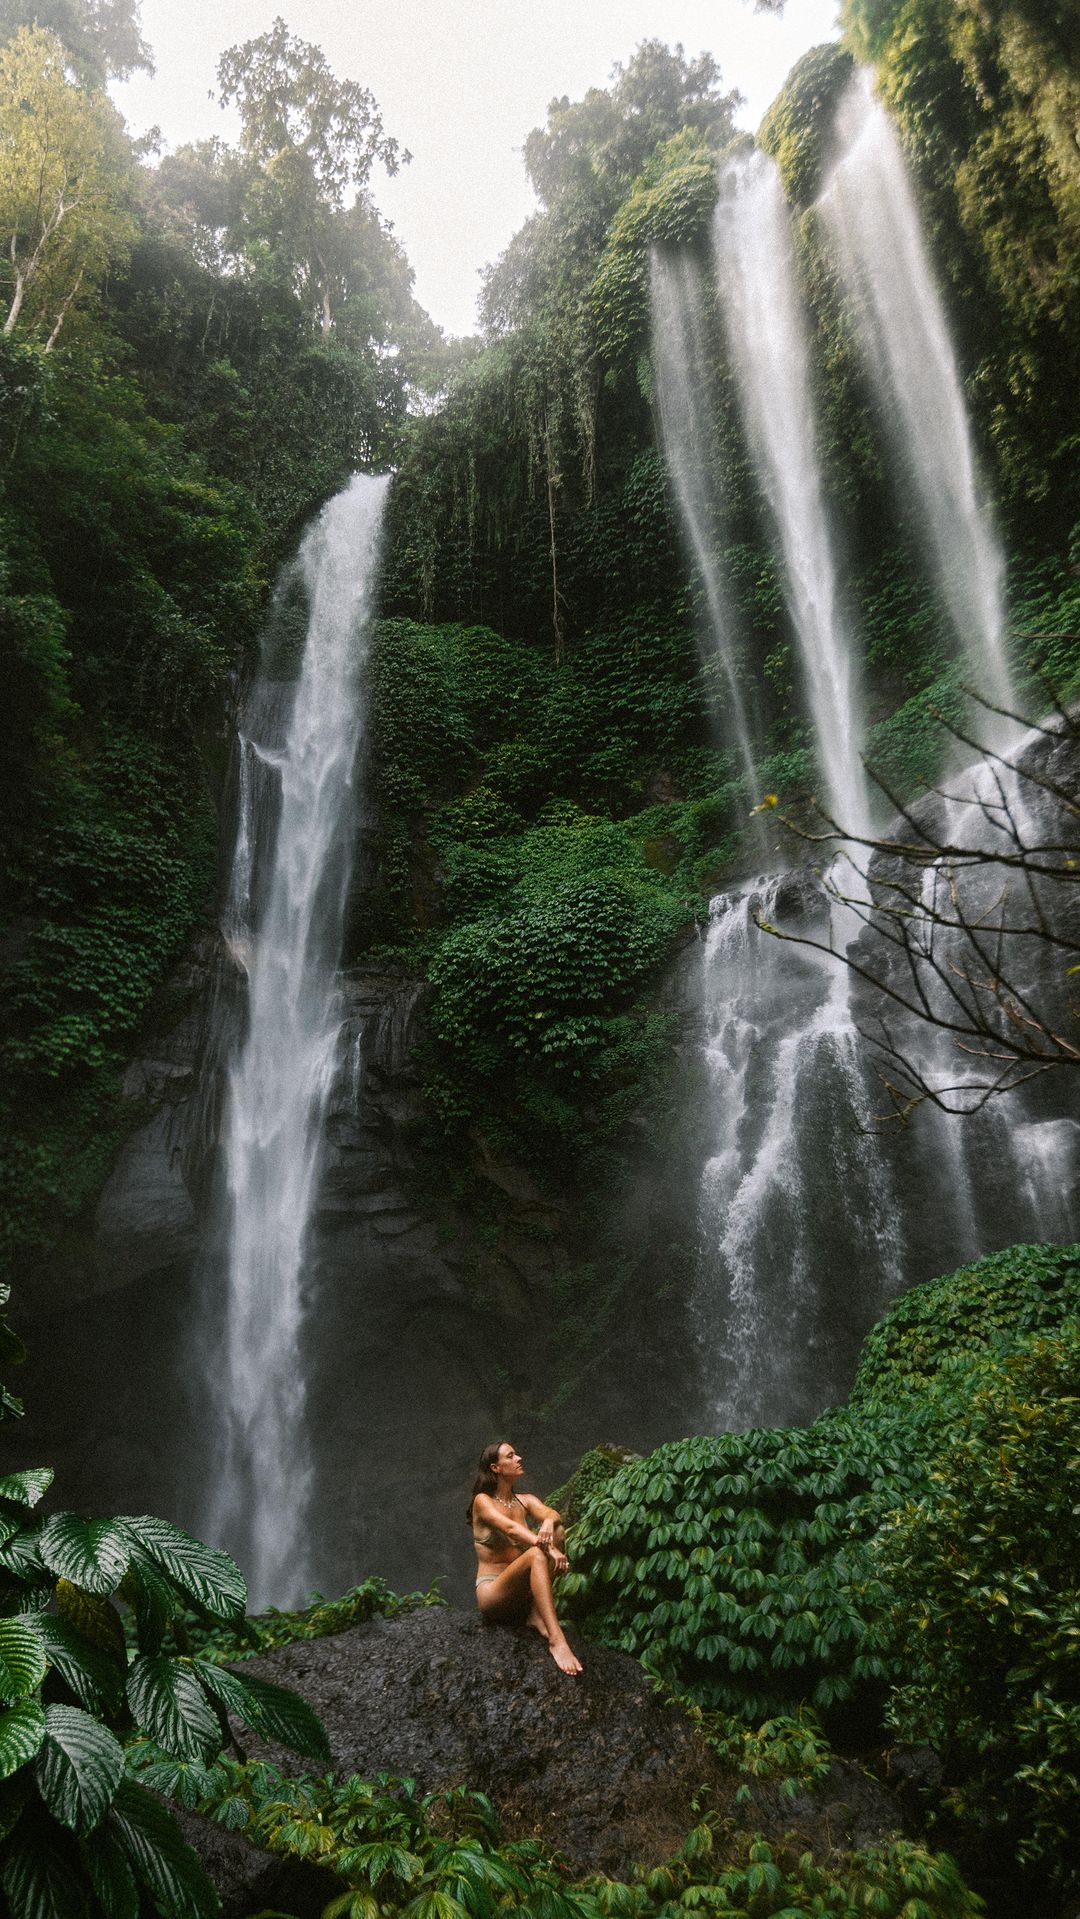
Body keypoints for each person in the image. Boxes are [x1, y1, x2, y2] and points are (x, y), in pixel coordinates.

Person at [467, 1440, 582, 1675]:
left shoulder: (524, 1500)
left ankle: (536, 1614)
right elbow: (510, 1529)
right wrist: (548, 1549)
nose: (518, 1459)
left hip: (522, 1594)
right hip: (494, 1594)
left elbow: (552, 1514)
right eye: (510, 1456)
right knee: (536, 1554)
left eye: (516, 1454)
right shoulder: (482, 1501)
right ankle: (557, 1640)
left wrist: (548, 1522)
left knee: (558, 1531)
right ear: (495, 1468)